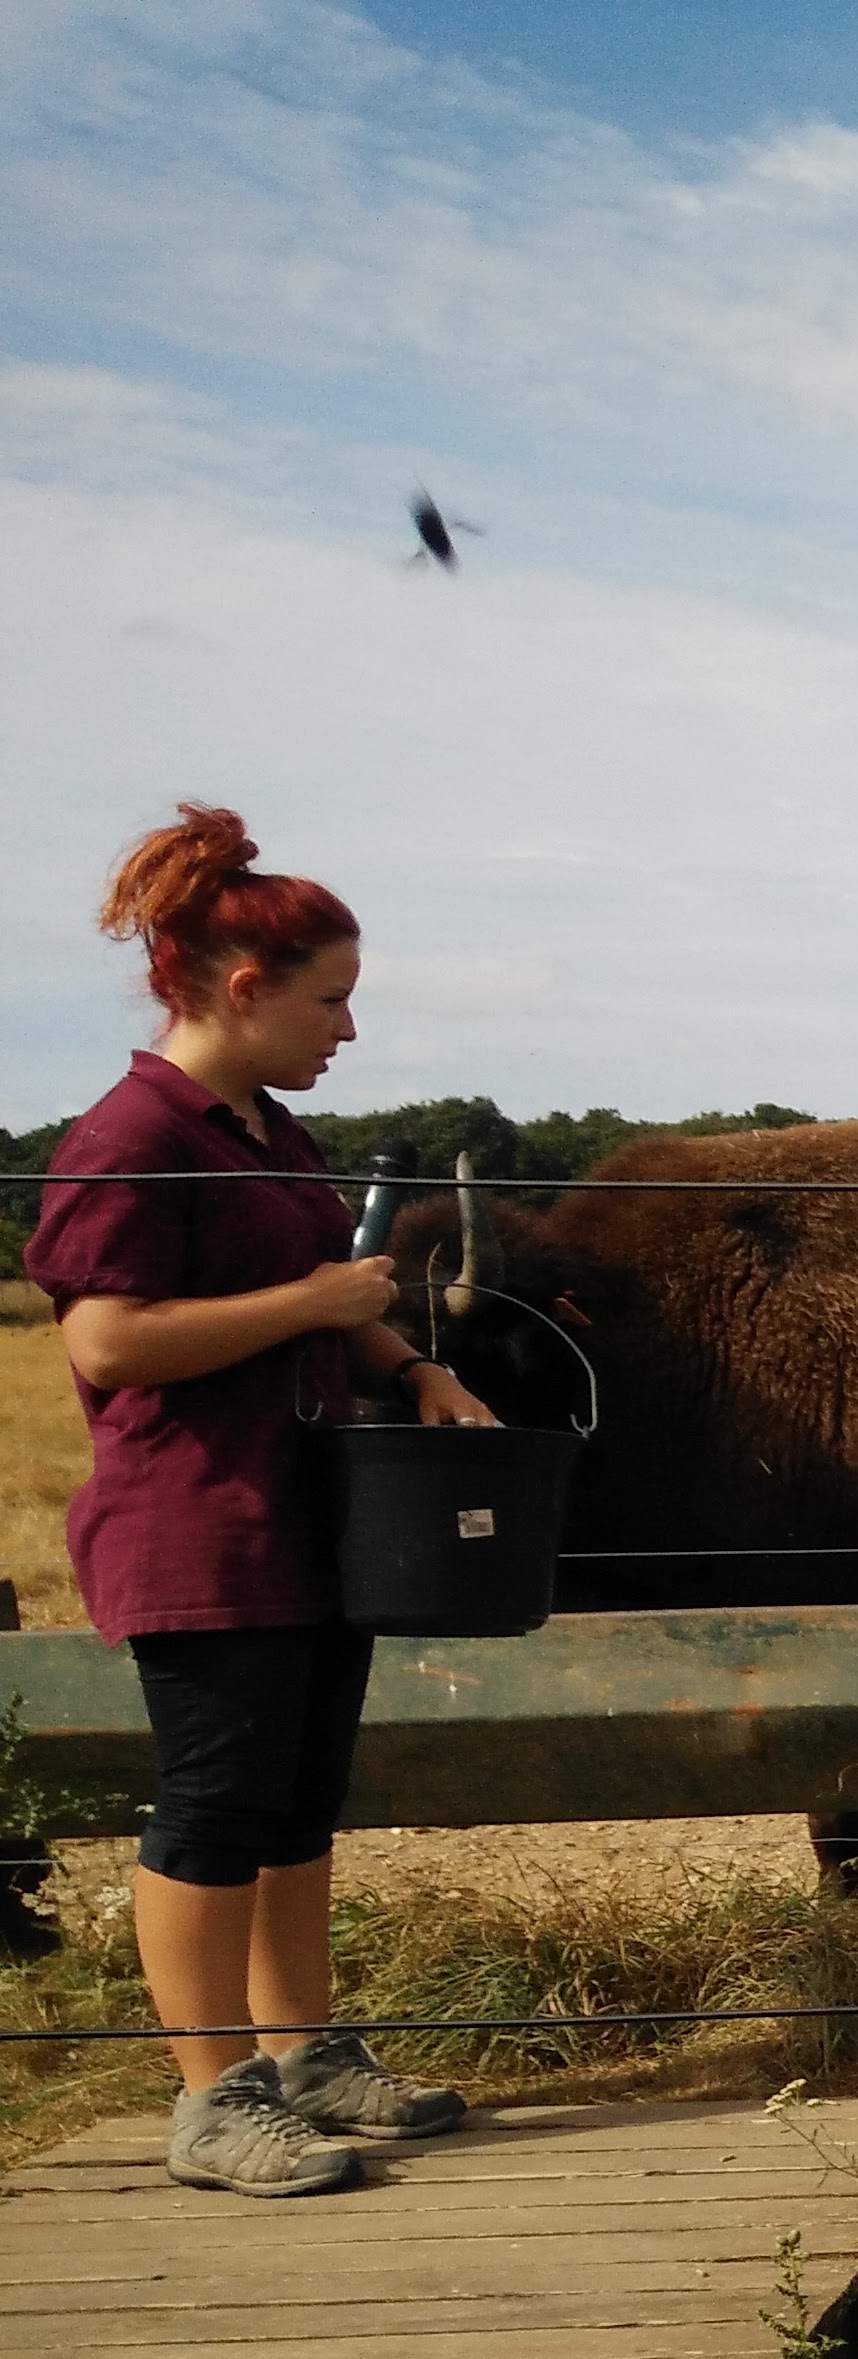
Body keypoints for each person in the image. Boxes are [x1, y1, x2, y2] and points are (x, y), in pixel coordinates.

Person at [24, 806, 499, 2197]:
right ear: (243, 990)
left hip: (306, 1515)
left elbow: (338, 1308)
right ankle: (213, 2097)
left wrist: (412, 1368)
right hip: (197, 1526)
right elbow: (107, 1341)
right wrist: (314, 1299)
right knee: (215, 1808)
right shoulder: (126, 1140)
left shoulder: (267, 1133)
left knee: (298, 1801)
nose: (347, 1030)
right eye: (331, 998)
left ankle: (310, 2056)